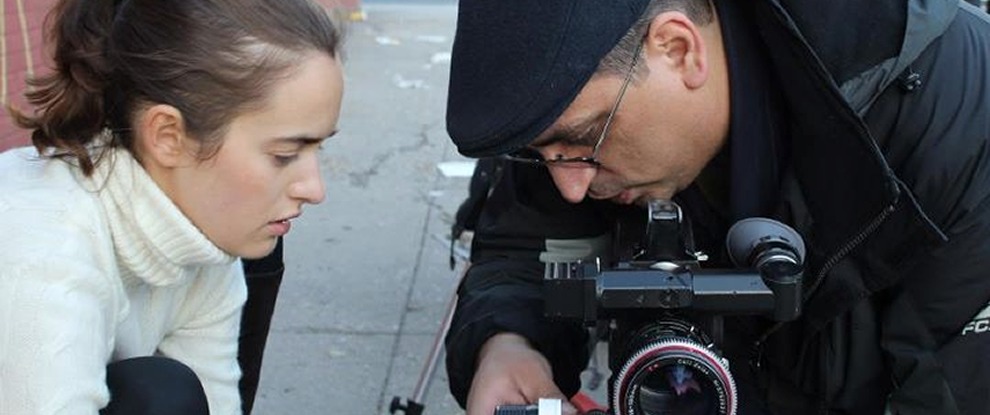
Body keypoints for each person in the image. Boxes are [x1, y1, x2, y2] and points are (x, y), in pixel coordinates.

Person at [442, 0, 990, 414]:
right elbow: (525, 244)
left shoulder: (959, 127)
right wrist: (507, 342)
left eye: (586, 142)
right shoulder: (570, 103)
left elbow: (947, 391)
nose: (571, 188)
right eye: (541, 156)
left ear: (679, 49)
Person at [0, 0, 344, 413]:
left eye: (319, 148)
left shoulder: (203, 230)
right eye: (285, 155)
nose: (315, 189)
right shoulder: (43, 253)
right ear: (167, 136)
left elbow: (215, 401)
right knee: (158, 393)